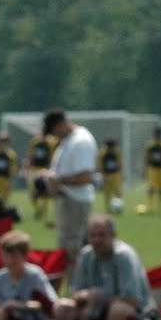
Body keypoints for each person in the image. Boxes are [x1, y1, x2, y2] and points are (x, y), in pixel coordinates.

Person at [52, 215, 154, 320]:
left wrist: (98, 302)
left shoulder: (124, 256)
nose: (97, 240)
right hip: (95, 311)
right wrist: (87, 298)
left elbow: (132, 299)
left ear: (113, 235)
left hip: (137, 316)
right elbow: (74, 292)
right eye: (93, 235)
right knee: (62, 306)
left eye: (102, 235)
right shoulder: (86, 255)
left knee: (117, 310)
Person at [37, 109, 97, 255]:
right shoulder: (68, 140)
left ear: (62, 124)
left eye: (53, 130)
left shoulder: (81, 141)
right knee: (65, 249)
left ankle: (77, 278)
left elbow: (86, 177)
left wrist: (57, 179)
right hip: (68, 201)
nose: (53, 135)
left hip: (75, 202)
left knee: (73, 250)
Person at [25, 129, 58, 224]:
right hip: (34, 169)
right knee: (32, 192)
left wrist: (51, 170)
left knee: (45, 192)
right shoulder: (35, 142)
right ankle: (38, 210)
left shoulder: (52, 143)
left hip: (45, 170)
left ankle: (42, 212)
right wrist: (27, 168)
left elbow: (53, 157)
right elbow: (30, 156)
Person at [142, 128, 161, 216]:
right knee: (151, 188)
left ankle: (160, 209)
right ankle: (151, 208)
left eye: (159, 134)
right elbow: (146, 158)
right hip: (152, 169)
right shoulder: (150, 145)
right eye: (156, 134)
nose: (158, 136)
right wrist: (144, 169)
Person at [98, 136, 123, 213]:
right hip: (107, 175)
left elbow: (120, 164)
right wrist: (103, 175)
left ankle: (119, 208)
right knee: (107, 193)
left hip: (116, 174)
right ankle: (108, 209)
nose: (111, 147)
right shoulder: (102, 153)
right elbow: (100, 165)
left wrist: (121, 174)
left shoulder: (117, 152)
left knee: (117, 192)